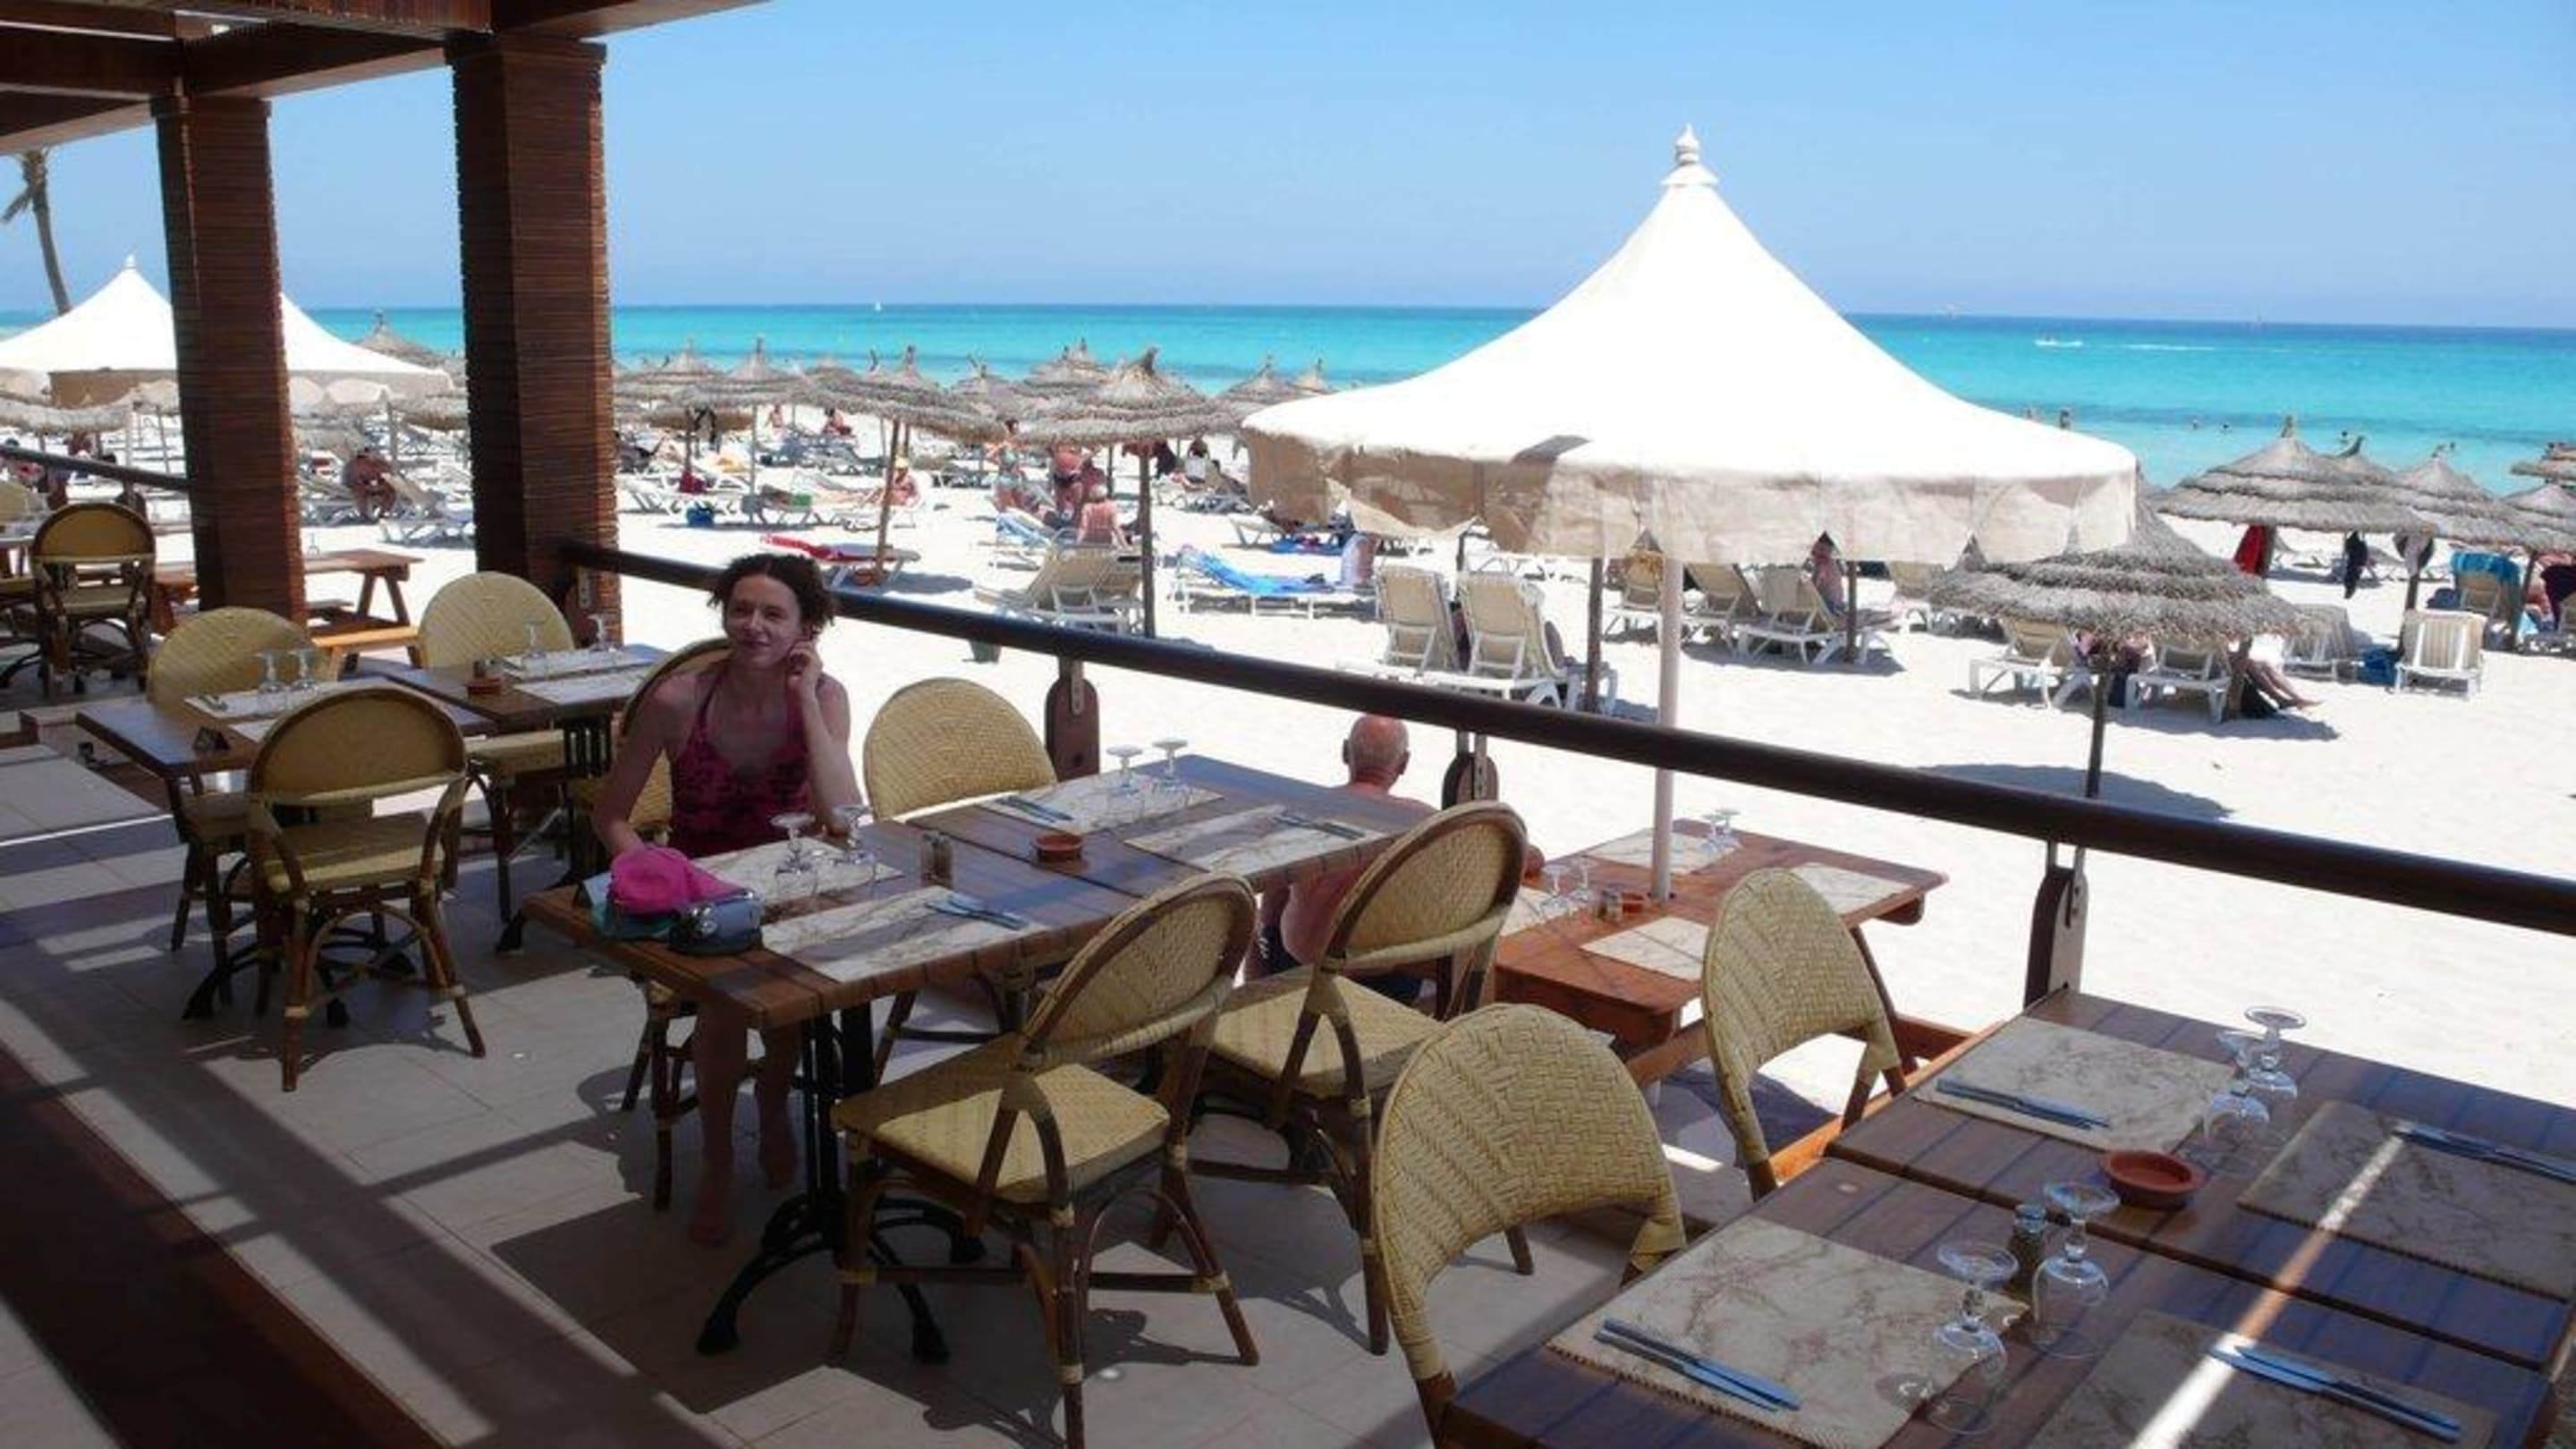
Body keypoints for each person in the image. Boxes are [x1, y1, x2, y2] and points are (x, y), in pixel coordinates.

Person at [588, 553, 861, 1245]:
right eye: (741, 610)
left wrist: (806, 698)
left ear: (805, 628)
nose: (753, 626)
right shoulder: (679, 698)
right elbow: (610, 815)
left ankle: (770, 1104)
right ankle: (717, 1159)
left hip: (794, 891)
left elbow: (841, 817)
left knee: (793, 1001)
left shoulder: (826, 697)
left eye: (773, 614)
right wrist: (654, 875)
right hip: (698, 900)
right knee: (722, 1010)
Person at [1248, 716, 1541, 1005]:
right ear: (1403, 764)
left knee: (1265, 912)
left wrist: (1259, 972)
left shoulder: (1301, 808)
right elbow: (1529, 857)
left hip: (1298, 971)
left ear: (1345, 752)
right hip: (1384, 982)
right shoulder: (1424, 822)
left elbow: (1270, 910)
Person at [1044, 445, 1101, 529]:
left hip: (1068, 477)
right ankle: (1067, 521)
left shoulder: (1074, 454)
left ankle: (1074, 522)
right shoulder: (1062, 452)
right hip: (1065, 477)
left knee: (1074, 504)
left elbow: (1094, 452)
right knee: (1063, 503)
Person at [341, 446, 398, 522]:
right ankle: (364, 515)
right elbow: (354, 480)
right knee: (360, 492)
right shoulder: (355, 464)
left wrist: (379, 484)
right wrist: (368, 486)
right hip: (358, 486)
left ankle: (382, 514)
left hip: (374, 485)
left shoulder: (379, 463)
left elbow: (387, 475)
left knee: (391, 492)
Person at [1073, 481, 1125, 547]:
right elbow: (1116, 527)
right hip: (1107, 540)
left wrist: (1077, 543)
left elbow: (1083, 527)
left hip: (1090, 540)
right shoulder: (1112, 506)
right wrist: (1125, 545)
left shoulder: (1087, 507)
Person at [2340, 532, 2369, 600]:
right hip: (2356, 563)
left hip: (2355, 563)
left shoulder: (2357, 545)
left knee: (2352, 577)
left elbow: (2363, 555)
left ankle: (2349, 591)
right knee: (2352, 577)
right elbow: (2364, 555)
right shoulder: (2360, 545)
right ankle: (2350, 590)